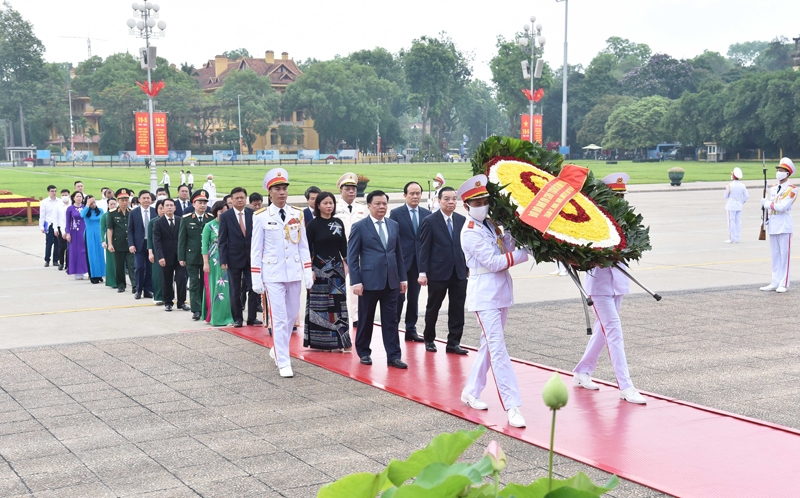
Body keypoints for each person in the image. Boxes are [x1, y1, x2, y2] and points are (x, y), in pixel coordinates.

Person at [458, 174, 530, 428]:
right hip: (485, 295)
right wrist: (526, 253)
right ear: (466, 206)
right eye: (476, 203)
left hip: (501, 292)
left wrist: (517, 233)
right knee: (498, 349)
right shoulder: (469, 233)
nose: (482, 206)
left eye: (484, 201)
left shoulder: (491, 225)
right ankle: (513, 406)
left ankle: (471, 391)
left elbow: (506, 247)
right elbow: (495, 262)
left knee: (489, 346)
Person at [573, 173, 646, 405]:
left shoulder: (625, 219)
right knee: (613, 330)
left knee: (603, 331)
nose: (620, 198)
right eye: (615, 194)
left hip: (618, 284)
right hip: (600, 285)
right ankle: (625, 386)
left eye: (622, 194)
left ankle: (582, 370)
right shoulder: (593, 221)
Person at [251, 168, 312, 378]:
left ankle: (277, 349)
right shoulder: (260, 217)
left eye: (284, 188)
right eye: (277, 188)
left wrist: (308, 271)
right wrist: (256, 277)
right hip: (273, 273)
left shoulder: (297, 214)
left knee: (291, 316)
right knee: (278, 318)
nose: (282, 192)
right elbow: (256, 249)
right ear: (270, 192)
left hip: (294, 272)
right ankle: (284, 361)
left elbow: (303, 245)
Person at [348, 190, 408, 370]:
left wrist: (402, 278)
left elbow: (398, 254)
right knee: (366, 319)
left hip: (391, 281)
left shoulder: (393, 225)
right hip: (368, 281)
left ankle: (394, 355)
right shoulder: (359, 226)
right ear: (369, 205)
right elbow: (352, 257)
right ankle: (364, 352)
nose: (381, 207)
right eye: (377, 204)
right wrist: (356, 281)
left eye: (384, 204)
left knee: (391, 320)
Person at [418, 186, 468, 354]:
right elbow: (423, 249)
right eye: (446, 199)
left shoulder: (462, 220)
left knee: (457, 308)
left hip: (459, 272)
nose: (450, 202)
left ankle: (453, 342)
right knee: (433, 307)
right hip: (438, 272)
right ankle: (429, 339)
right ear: (438, 201)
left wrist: (467, 266)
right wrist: (422, 273)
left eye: (454, 198)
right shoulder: (430, 221)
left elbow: (466, 247)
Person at [304, 192, 351, 351]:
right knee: (320, 306)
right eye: (325, 203)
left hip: (337, 271)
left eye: (331, 203)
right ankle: (322, 342)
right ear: (318, 205)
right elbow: (306, 249)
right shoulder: (312, 225)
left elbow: (343, 246)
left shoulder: (338, 223)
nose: (329, 206)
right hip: (319, 270)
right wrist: (308, 269)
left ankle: (341, 340)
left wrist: (348, 263)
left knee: (338, 305)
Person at [389, 181, 429, 342]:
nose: (415, 196)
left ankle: (410, 329)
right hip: (401, 262)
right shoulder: (396, 213)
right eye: (411, 193)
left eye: (418, 193)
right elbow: (392, 238)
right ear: (405, 195)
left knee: (414, 297)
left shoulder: (427, 214)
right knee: (399, 297)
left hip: (419, 263)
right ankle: (393, 327)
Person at [218, 187, 262, 327]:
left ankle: (252, 317)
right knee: (235, 290)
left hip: (252, 258)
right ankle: (237, 318)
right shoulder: (226, 216)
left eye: (242, 197)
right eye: (236, 198)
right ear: (232, 199)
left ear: (245, 198)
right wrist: (223, 259)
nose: (239, 200)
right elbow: (222, 240)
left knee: (253, 288)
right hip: (233, 258)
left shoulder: (253, 214)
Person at [335, 172, 369, 329]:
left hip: (358, 253)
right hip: (339, 252)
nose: (351, 192)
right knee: (338, 286)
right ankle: (339, 315)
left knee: (356, 284)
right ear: (341, 190)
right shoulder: (334, 208)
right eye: (347, 189)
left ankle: (355, 316)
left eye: (353, 189)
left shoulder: (362, 209)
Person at [760, 158, 796, 293]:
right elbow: (768, 207)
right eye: (778, 170)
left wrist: (767, 203)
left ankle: (784, 283)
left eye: (781, 170)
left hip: (784, 224)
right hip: (773, 224)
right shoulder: (773, 188)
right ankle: (775, 281)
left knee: (784, 255)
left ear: (787, 174)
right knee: (775, 255)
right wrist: (765, 218)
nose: (778, 173)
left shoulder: (792, 189)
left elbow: (783, 206)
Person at [179, 189, 214, 320]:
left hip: (207, 257)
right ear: (193, 204)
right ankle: (196, 309)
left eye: (205, 202)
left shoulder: (210, 219)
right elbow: (182, 239)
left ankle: (204, 306)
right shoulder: (186, 219)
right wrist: (181, 257)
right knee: (194, 283)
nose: (202, 205)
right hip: (191, 256)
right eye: (199, 202)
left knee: (204, 283)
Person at [202, 200, 234, 326]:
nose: (224, 214)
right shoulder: (209, 226)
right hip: (214, 261)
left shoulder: (231, 224)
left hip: (229, 259)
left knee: (228, 289)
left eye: (226, 211)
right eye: (221, 212)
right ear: (216, 212)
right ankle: (217, 317)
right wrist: (205, 262)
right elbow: (204, 245)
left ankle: (229, 316)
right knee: (217, 289)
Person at [153, 198, 188, 312]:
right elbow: (156, 242)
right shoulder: (158, 223)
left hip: (180, 256)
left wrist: (184, 255)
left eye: (171, 205)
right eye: (167, 205)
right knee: (167, 280)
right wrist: (160, 256)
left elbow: (185, 238)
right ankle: (168, 302)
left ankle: (181, 302)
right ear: (163, 208)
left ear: (175, 207)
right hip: (165, 256)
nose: (169, 207)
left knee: (181, 279)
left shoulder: (181, 220)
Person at [127, 190, 157, 300]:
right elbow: (130, 230)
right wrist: (131, 244)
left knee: (150, 268)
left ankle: (148, 290)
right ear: (139, 200)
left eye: (148, 198)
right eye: (143, 198)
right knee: (139, 267)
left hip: (151, 244)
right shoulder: (133, 213)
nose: (146, 200)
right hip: (138, 244)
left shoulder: (155, 212)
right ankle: (138, 290)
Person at [107, 188, 136, 293]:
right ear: (118, 201)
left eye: (126, 200)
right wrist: (110, 244)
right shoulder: (112, 213)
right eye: (122, 200)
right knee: (119, 266)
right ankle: (121, 285)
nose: (124, 202)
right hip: (118, 243)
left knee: (132, 265)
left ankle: (135, 285)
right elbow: (110, 229)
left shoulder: (132, 212)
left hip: (130, 243)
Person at [80, 195, 106, 284]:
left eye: (94, 202)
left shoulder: (100, 211)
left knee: (100, 254)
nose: (93, 204)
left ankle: (100, 274)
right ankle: (93, 275)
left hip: (99, 233)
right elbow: (82, 215)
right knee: (92, 255)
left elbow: (104, 221)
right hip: (90, 234)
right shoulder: (86, 212)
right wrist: (87, 204)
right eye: (91, 203)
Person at [65, 191, 88, 280]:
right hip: (75, 232)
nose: (79, 198)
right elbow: (68, 222)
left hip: (85, 230)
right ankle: (78, 272)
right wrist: (67, 233)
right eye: (77, 196)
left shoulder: (85, 207)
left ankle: (86, 270)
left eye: (80, 196)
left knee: (85, 251)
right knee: (76, 252)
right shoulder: (70, 208)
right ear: (73, 198)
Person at [39, 185, 62, 268]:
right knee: (49, 242)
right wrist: (41, 227)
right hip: (49, 224)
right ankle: (47, 260)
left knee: (57, 243)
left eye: (55, 191)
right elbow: (42, 215)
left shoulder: (60, 201)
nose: (54, 193)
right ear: (48, 192)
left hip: (58, 224)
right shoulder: (44, 202)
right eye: (52, 191)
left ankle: (56, 260)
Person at [147, 199, 165, 305]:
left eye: (164, 208)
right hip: (156, 251)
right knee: (158, 275)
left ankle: (168, 295)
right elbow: (149, 238)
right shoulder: (152, 222)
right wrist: (150, 252)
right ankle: (158, 296)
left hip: (169, 250)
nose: (163, 211)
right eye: (160, 208)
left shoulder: (173, 220)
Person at [724, 167, 748, 244]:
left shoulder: (729, 185)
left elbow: (725, 196)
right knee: (738, 222)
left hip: (731, 204)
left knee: (731, 222)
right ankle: (737, 237)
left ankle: (732, 238)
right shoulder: (742, 185)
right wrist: (741, 201)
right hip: (739, 205)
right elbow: (746, 196)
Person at [101, 198, 118, 289]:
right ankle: (112, 281)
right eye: (111, 204)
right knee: (111, 261)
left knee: (120, 261)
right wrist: (103, 241)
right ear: (108, 205)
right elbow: (102, 229)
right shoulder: (105, 216)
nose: (113, 206)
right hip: (109, 240)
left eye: (114, 204)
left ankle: (120, 280)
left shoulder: (120, 214)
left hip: (119, 240)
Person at [56, 189, 70, 272]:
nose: (64, 197)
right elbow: (56, 218)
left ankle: (68, 264)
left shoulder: (71, 205)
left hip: (70, 227)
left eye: (66, 195)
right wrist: (55, 228)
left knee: (69, 247)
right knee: (62, 246)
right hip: (61, 227)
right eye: (63, 195)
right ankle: (61, 262)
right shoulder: (58, 205)